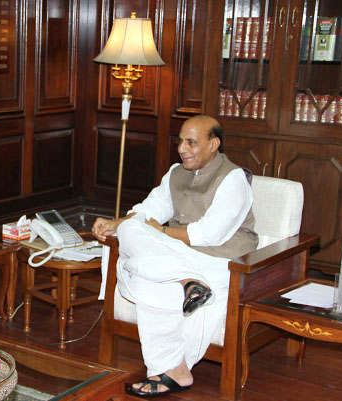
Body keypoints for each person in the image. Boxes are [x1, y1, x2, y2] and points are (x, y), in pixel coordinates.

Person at [92, 115, 257, 396]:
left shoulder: (234, 178)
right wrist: (115, 224)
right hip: (180, 256)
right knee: (131, 228)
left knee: (146, 277)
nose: (182, 149)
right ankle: (187, 286)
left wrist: (162, 231)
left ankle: (171, 368)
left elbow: (211, 234)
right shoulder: (176, 173)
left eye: (191, 142)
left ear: (214, 144)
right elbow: (148, 210)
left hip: (220, 259)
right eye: (180, 141)